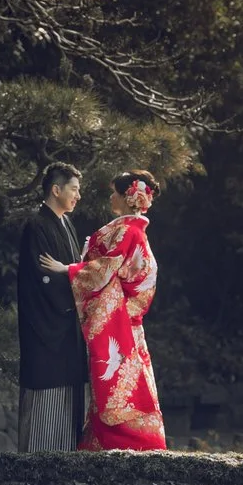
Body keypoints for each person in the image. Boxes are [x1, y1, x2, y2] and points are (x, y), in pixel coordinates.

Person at [65, 170, 166, 450]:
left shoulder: (126, 231)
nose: (111, 197)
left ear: (127, 196)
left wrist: (68, 270)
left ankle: (121, 443)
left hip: (118, 316)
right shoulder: (135, 231)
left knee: (117, 385)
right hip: (127, 319)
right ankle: (137, 442)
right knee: (129, 382)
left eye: (114, 192)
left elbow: (106, 269)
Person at [16, 162, 90, 451]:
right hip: (46, 324)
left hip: (66, 324)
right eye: (74, 189)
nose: (78, 196)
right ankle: (39, 461)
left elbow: (69, 270)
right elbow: (41, 277)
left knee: (69, 389)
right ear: (56, 190)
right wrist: (74, 280)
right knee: (47, 388)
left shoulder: (64, 222)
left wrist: (71, 272)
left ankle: (64, 457)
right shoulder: (37, 225)